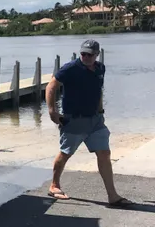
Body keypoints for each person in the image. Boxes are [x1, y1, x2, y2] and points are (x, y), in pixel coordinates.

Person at [44, 38, 130, 206]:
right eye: (83, 53)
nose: (86, 57)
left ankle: (113, 196)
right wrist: (52, 111)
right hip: (74, 120)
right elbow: (51, 87)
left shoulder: (100, 68)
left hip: (96, 121)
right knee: (65, 153)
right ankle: (54, 185)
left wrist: (100, 110)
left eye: (90, 54)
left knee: (104, 154)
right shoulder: (70, 68)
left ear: (97, 55)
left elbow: (98, 90)